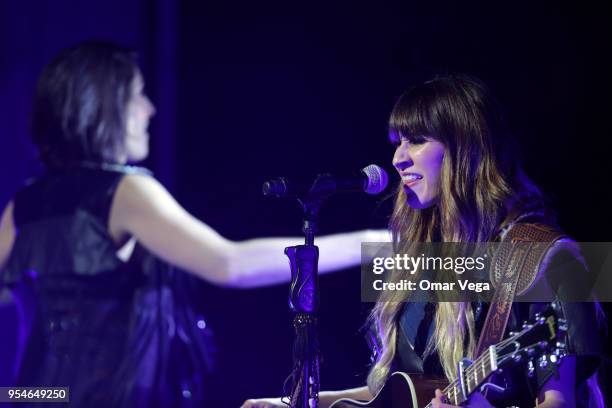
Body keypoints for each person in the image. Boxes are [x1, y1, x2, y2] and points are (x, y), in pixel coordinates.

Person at [0, 41, 385, 407]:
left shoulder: (23, 203)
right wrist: (373, 244)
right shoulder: (125, 189)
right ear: (105, 105)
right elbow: (229, 263)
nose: (149, 109)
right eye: (137, 94)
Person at [242, 75, 605, 407]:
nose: (398, 159)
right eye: (397, 143)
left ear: (466, 148)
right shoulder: (412, 260)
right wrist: (291, 404)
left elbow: (559, 402)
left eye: (416, 141)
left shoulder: (545, 258)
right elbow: (395, 393)